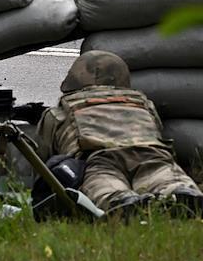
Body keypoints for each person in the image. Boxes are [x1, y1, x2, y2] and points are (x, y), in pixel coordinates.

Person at [36, 50, 203, 214]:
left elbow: (44, 157)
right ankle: (179, 192)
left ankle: (124, 201)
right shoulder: (142, 102)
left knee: (106, 187)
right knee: (163, 175)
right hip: (149, 151)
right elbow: (156, 129)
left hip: (99, 157)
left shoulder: (59, 112)